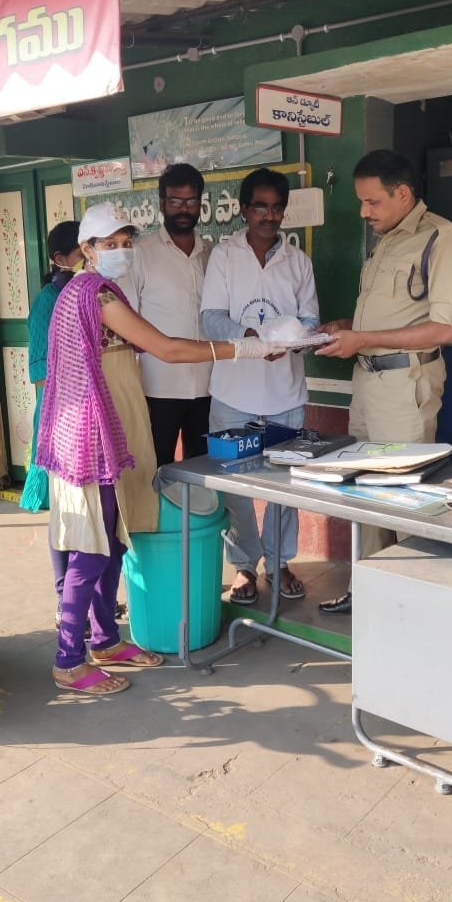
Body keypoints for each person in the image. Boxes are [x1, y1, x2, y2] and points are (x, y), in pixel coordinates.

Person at [36, 201, 278, 696]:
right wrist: (245, 348)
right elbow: (166, 348)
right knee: (92, 547)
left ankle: (104, 640)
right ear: (86, 250)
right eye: (111, 245)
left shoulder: (89, 292)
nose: (122, 253)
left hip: (113, 429)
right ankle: (68, 659)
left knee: (116, 541)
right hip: (93, 434)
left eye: (127, 245)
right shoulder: (97, 296)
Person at [315, 148, 452, 615]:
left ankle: (414, 603)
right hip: (367, 383)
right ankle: (369, 591)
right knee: (364, 492)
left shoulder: (441, 239)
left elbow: (445, 328)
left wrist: (362, 336)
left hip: (406, 386)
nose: (364, 213)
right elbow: (391, 311)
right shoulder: (387, 239)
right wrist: (347, 326)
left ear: (402, 194)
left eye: (372, 202)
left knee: (402, 498)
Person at [201, 167, 319, 606]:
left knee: (285, 485)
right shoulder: (224, 256)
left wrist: (291, 340)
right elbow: (210, 317)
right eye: (260, 207)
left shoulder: (298, 261)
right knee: (234, 486)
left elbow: (309, 321)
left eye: (276, 207)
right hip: (233, 393)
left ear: (283, 210)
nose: (269, 216)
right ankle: (244, 567)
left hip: (286, 393)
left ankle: (279, 560)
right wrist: (250, 342)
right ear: (244, 209)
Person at [120, 163, 212, 466]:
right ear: (162, 203)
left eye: (191, 201)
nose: (183, 209)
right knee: (156, 470)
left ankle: (198, 517)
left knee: (205, 472)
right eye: (175, 201)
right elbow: (128, 324)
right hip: (158, 388)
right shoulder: (141, 255)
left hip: (209, 386)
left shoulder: (214, 254)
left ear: (201, 203)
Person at [20, 220, 83, 624]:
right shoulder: (48, 302)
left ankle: (87, 597)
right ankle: (66, 599)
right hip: (61, 420)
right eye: (84, 251)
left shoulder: (86, 293)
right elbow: (42, 373)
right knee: (65, 513)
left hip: (84, 417)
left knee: (87, 513)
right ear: (60, 259)